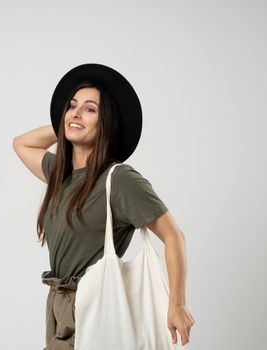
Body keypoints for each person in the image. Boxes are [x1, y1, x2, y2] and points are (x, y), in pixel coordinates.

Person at [13, 63, 195, 350]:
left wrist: (178, 303)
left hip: (94, 306)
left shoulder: (119, 180)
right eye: (71, 106)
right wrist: (67, 121)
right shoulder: (60, 173)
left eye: (90, 109)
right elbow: (22, 144)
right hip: (59, 306)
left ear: (106, 122)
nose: (75, 113)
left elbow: (174, 236)